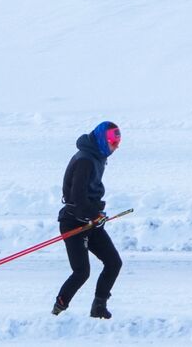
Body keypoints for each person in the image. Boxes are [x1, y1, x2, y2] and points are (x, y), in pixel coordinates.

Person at [52, 121, 123, 319]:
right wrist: (94, 215)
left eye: (118, 142)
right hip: (73, 221)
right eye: (112, 142)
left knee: (113, 262)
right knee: (82, 272)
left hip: (89, 220)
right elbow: (77, 197)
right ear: (101, 139)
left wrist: (95, 215)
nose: (115, 147)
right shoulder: (85, 160)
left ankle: (98, 306)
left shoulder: (97, 156)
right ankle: (57, 310)